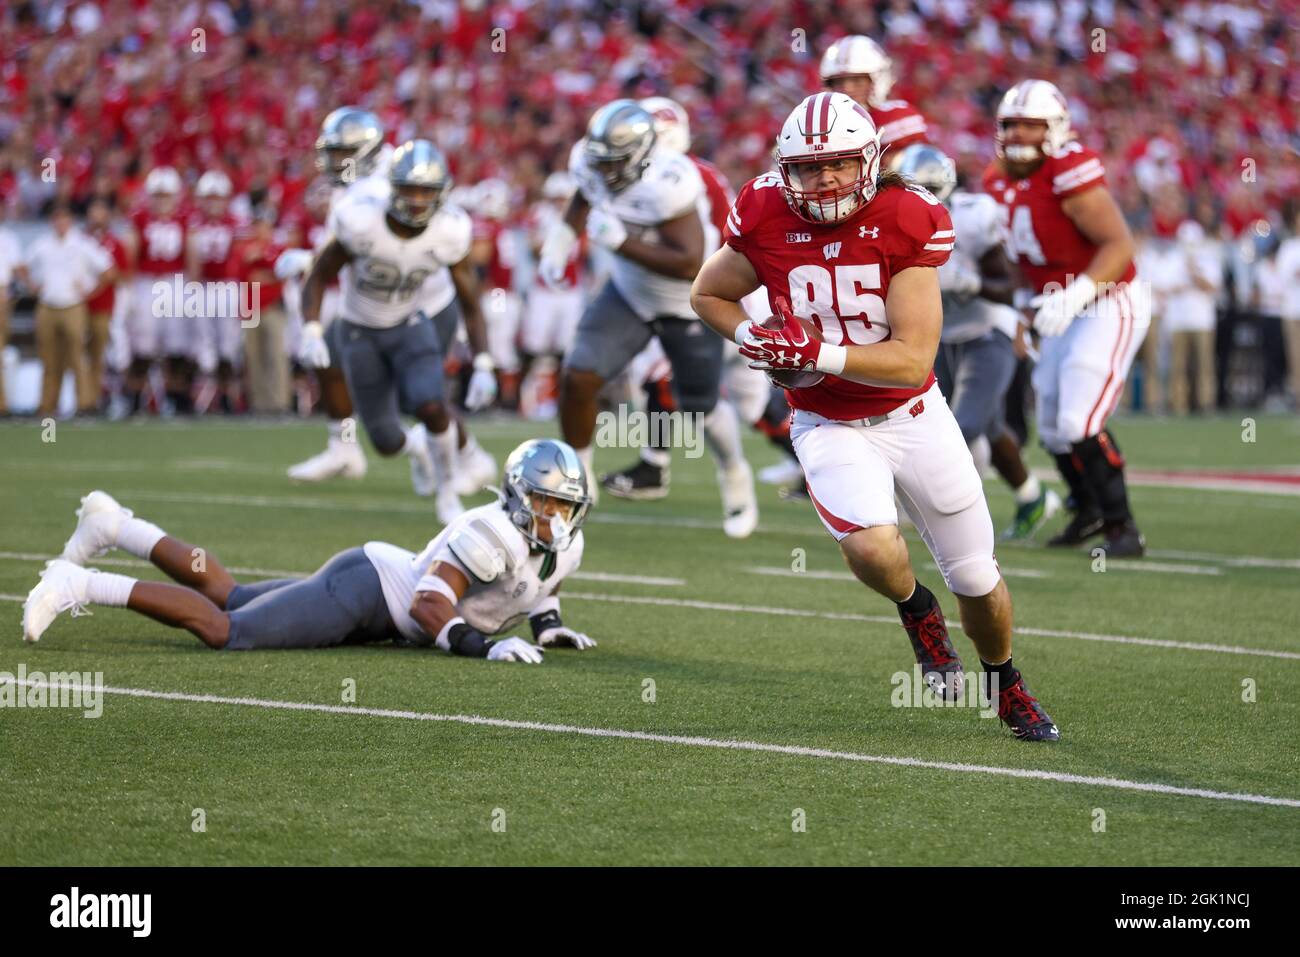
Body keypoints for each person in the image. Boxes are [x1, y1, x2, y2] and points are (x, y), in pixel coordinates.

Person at [691, 91, 1058, 741]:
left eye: (838, 163)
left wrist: (816, 350)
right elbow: (708, 292)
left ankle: (1005, 680)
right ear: (786, 170)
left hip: (912, 415)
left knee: (976, 576)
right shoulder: (764, 212)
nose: (825, 178)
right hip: (826, 421)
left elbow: (913, 360)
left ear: (870, 161)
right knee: (869, 543)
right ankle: (917, 608)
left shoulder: (905, 215)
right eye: (809, 167)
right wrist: (756, 338)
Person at [23, 439, 596, 663]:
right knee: (227, 630)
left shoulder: (565, 544)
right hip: (366, 591)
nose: (557, 518)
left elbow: (547, 581)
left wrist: (548, 625)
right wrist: (483, 648)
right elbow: (429, 603)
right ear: (521, 496)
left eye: (565, 507)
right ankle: (78, 584)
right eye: (546, 504)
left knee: (233, 595)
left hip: (376, 594)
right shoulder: (491, 532)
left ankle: (116, 527)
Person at [542, 99, 755, 537]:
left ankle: (734, 472)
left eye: (615, 162)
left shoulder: (670, 181)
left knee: (700, 406)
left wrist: (620, 243)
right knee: (579, 374)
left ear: (643, 155)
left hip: (689, 298)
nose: (605, 170)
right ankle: (579, 478)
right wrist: (560, 242)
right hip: (630, 293)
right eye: (601, 161)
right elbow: (585, 194)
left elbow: (689, 261)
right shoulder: (590, 161)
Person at [983, 80, 1151, 557]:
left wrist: (1076, 293)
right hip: (1055, 306)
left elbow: (1118, 245)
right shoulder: (999, 179)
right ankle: (1088, 509)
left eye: (1029, 126)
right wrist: (1021, 306)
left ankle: (1124, 528)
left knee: (1080, 418)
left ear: (1054, 130)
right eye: (1010, 125)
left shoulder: (1068, 172)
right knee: (1055, 425)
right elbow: (1018, 257)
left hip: (1107, 299)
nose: (1017, 135)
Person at [300, 139, 492, 520]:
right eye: (409, 190)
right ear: (393, 189)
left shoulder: (450, 231)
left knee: (430, 403)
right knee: (387, 441)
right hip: (360, 331)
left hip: (410, 323)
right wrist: (311, 328)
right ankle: (415, 450)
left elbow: (470, 300)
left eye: (427, 191)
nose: (418, 200)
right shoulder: (360, 220)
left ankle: (447, 492)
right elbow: (320, 275)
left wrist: (484, 361)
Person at [894, 143, 1062, 540]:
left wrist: (971, 283)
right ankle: (1032, 496)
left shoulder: (972, 217)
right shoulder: (891, 226)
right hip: (939, 339)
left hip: (989, 330)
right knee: (983, 422)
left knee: (961, 425)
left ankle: (951, 516)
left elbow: (1010, 285)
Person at [22, 202, 113, 417]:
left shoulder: (82, 244)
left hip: (73, 305)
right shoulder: (43, 244)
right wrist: (33, 286)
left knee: (78, 356)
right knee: (49, 358)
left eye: (64, 219)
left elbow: (108, 271)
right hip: (47, 304)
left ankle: (85, 403)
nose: (60, 224)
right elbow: (23, 266)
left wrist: (89, 292)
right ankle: (47, 405)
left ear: (70, 222)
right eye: (57, 219)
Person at [819, 35, 928, 151]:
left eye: (857, 80)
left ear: (877, 80)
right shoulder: (821, 125)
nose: (847, 89)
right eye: (838, 82)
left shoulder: (895, 117)